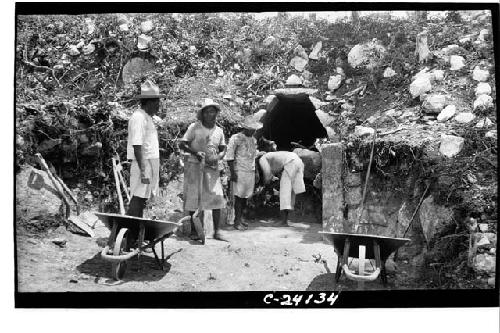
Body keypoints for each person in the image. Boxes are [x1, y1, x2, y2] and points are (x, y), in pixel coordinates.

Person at [179, 98, 228, 242]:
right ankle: (195, 231)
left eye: (212, 111)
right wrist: (195, 153)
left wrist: (218, 157)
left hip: (212, 170)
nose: (210, 114)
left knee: (217, 197)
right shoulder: (195, 127)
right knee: (195, 198)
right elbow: (183, 144)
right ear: (202, 114)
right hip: (195, 168)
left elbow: (223, 148)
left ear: (216, 114)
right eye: (207, 112)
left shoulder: (219, 131)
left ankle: (217, 231)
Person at [126, 80, 165, 218]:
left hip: (148, 163)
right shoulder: (138, 117)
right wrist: (143, 170)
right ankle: (131, 234)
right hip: (143, 163)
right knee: (138, 197)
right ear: (150, 102)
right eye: (157, 103)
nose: (158, 106)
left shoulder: (146, 117)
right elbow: (137, 145)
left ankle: (136, 233)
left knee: (142, 198)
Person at [224, 116, 263, 230]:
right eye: (252, 129)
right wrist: (233, 172)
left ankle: (241, 218)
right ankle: (236, 221)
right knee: (239, 196)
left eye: (255, 129)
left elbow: (253, 157)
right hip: (239, 170)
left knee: (246, 196)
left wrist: (255, 172)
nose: (254, 131)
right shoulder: (236, 138)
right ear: (246, 128)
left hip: (249, 171)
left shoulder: (253, 140)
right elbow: (230, 156)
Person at [258, 151, 306, 226]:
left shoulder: (262, 159)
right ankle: (286, 219)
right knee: (291, 194)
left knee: (285, 194)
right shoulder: (272, 156)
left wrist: (264, 186)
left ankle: (283, 221)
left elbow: (267, 176)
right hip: (297, 161)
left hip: (291, 163)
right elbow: (272, 175)